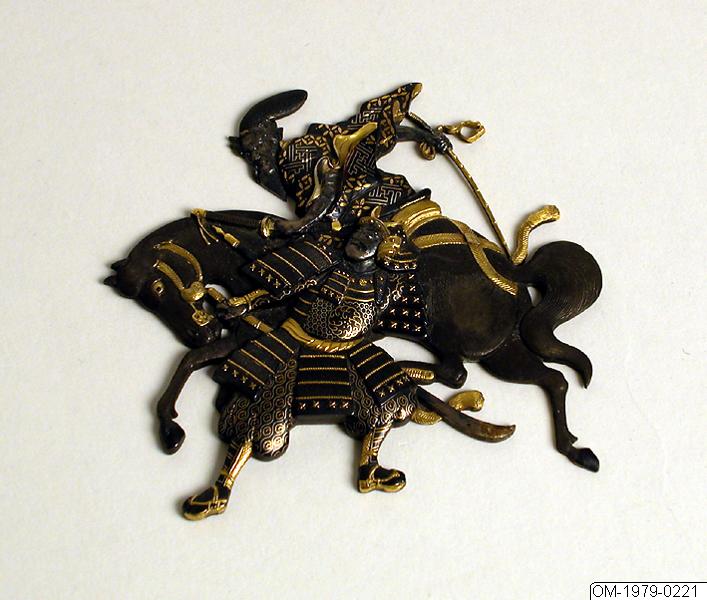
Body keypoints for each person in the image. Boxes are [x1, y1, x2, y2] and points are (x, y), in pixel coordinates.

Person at [182, 213, 420, 520]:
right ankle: (221, 487)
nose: (360, 239)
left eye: (371, 238)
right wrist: (247, 302)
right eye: (359, 234)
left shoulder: (385, 284)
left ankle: (369, 466)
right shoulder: (324, 264)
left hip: (351, 351)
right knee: (260, 419)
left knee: (392, 397)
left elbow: (408, 275)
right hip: (295, 343)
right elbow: (281, 289)